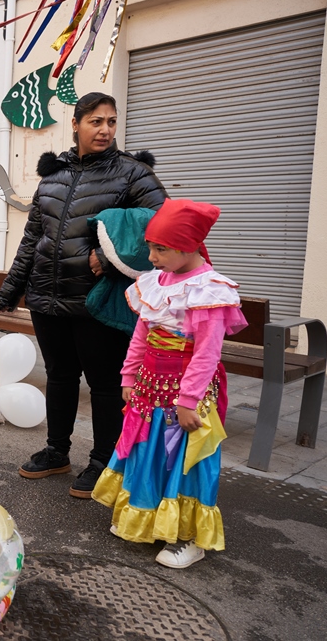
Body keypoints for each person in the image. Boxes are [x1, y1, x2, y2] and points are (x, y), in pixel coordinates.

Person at [0, 92, 168, 500]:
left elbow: (162, 225)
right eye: (95, 122)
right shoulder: (52, 178)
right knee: (61, 376)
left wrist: (110, 254)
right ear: (76, 124)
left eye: (111, 122)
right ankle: (57, 451)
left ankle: (104, 461)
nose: (105, 129)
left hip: (97, 301)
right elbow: (32, 238)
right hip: (47, 298)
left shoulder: (133, 174)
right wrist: (10, 290)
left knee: (104, 384)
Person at [93, 199, 246, 569]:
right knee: (148, 453)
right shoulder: (155, 283)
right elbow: (141, 337)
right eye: (150, 247)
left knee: (185, 461)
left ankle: (190, 539)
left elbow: (207, 354)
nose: (152, 256)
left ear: (189, 246)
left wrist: (189, 400)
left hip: (184, 396)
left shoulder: (208, 290)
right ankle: (146, 519)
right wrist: (129, 376)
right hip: (150, 388)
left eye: (160, 249)